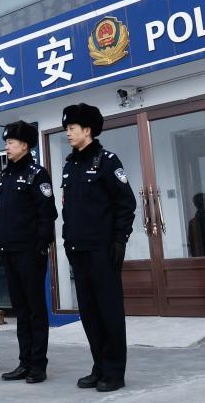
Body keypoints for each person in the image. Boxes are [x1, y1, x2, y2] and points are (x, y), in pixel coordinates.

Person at [61, 104, 136, 393]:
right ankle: (99, 366)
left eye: (72, 128)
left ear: (87, 130)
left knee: (109, 312)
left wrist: (120, 240)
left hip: (102, 251)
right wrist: (68, 242)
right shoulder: (70, 165)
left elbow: (125, 204)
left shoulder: (107, 161)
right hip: (78, 250)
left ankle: (114, 372)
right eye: (66, 128)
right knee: (90, 314)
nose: (68, 133)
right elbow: (69, 210)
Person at [0, 120, 57, 385]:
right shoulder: (6, 176)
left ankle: (38, 365)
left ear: (25, 145)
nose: (7, 147)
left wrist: (40, 246)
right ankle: (24, 362)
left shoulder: (37, 174)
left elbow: (47, 214)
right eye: (6, 143)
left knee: (34, 310)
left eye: (11, 142)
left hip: (30, 253)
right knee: (20, 311)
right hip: (9, 252)